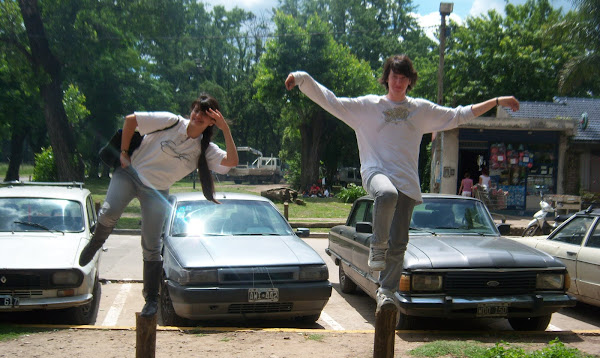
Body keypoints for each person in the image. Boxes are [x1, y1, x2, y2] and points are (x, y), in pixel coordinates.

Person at [285, 54, 519, 308]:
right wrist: (302, 78)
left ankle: (386, 290)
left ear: (410, 81)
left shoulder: (420, 110)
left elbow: (458, 115)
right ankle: (377, 245)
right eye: (394, 77)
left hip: (407, 181)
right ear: (387, 79)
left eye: (403, 78)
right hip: (376, 173)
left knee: (399, 244)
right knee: (386, 194)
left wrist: (496, 100)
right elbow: (331, 101)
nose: (398, 82)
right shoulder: (368, 107)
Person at [78, 94, 238, 318]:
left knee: (152, 245)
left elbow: (231, 162)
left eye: (206, 114)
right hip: (129, 175)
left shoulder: (206, 149)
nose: (198, 115)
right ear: (190, 111)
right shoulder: (171, 121)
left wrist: (225, 129)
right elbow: (131, 120)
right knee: (109, 212)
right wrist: (124, 153)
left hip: (157, 191)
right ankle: (97, 241)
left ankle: (151, 298)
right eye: (196, 110)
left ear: (213, 121)